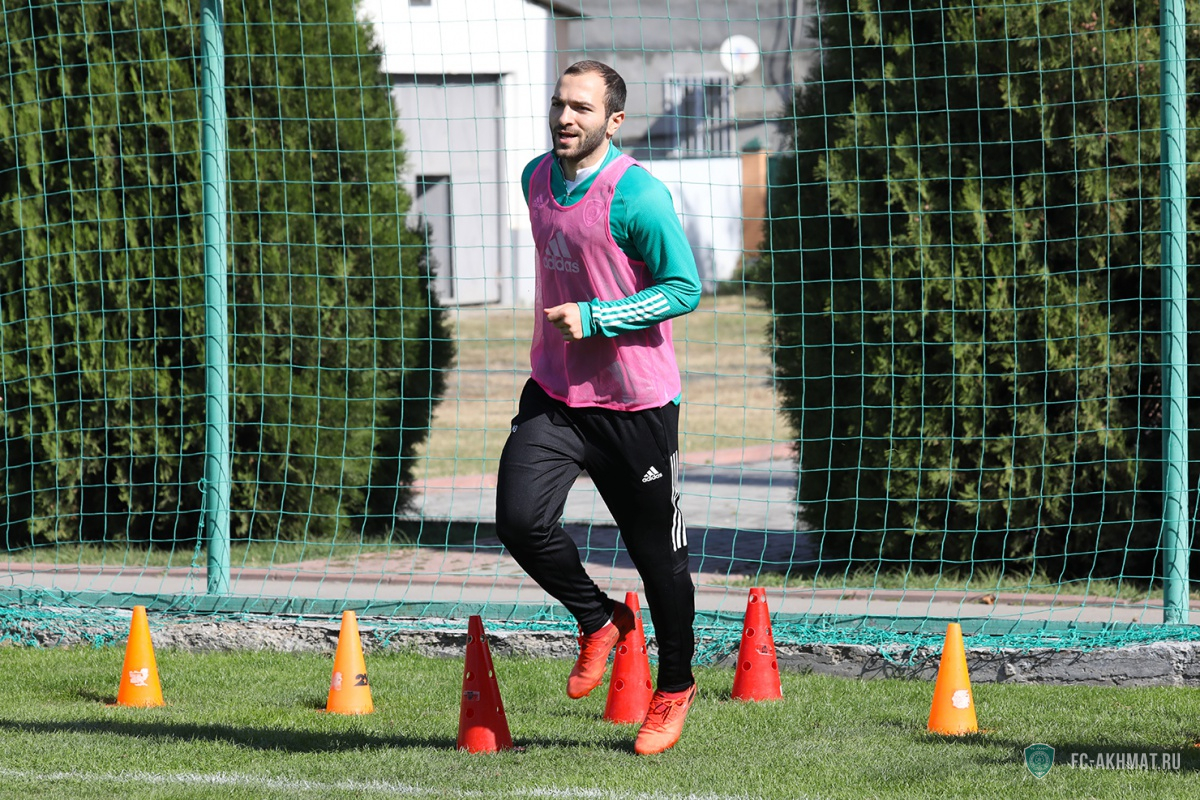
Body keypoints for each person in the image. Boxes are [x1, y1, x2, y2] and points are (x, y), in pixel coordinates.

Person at [495, 60, 702, 755]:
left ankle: (674, 687)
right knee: (519, 520)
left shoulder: (637, 195)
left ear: (613, 121)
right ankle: (599, 619)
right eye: (560, 103)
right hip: (555, 394)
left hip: (634, 406)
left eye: (581, 108)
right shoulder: (534, 178)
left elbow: (683, 288)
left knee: (658, 560)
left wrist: (596, 316)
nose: (565, 118)